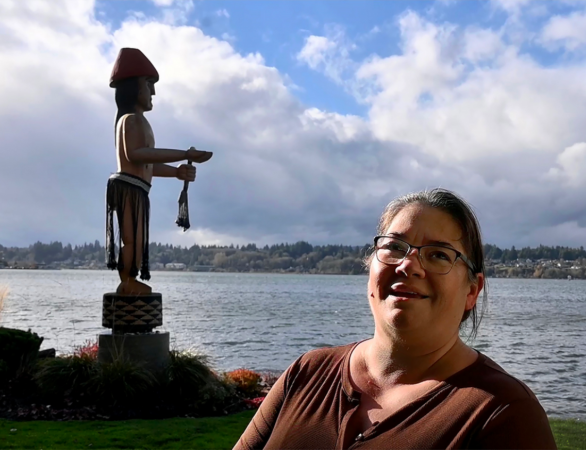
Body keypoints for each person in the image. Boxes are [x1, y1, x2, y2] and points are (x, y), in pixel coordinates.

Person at [234, 188, 557, 449]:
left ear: (472, 290)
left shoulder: (502, 413)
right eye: (394, 247)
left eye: (439, 255)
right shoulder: (307, 372)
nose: (409, 265)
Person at [105, 47, 213, 295]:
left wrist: (176, 172)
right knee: (132, 239)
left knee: (138, 238)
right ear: (134, 87)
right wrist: (184, 154)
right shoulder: (130, 119)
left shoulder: (139, 120)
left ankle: (130, 281)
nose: (153, 91)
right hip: (129, 187)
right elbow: (137, 154)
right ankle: (127, 283)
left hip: (138, 187)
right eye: (148, 83)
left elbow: (147, 164)